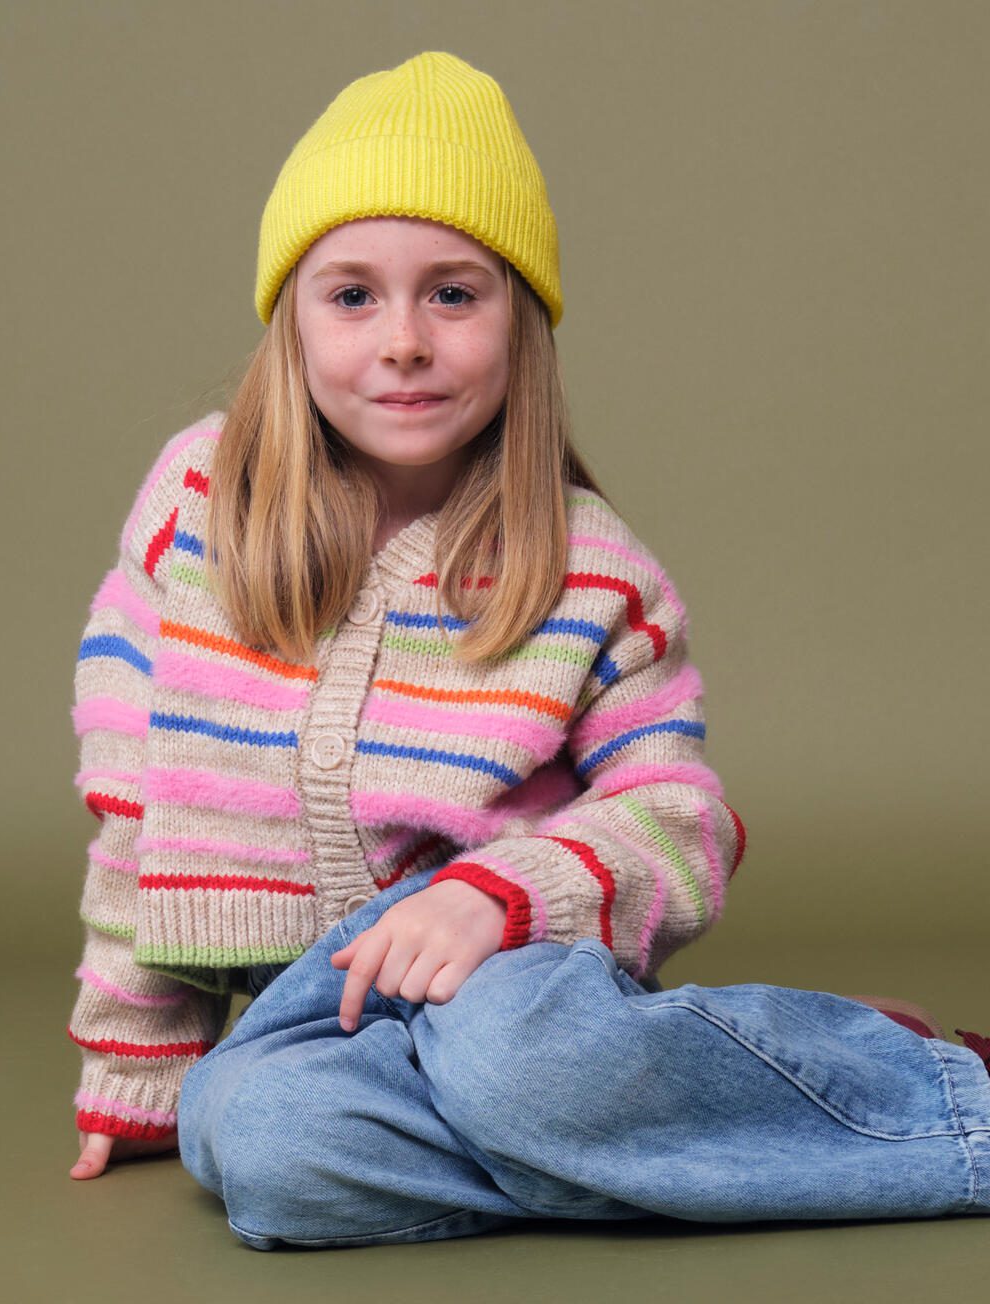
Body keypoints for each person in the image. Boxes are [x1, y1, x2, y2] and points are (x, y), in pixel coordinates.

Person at [65, 50, 990, 1244]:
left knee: (516, 1066)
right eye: (352, 295)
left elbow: (682, 820)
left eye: (454, 293)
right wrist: (136, 1061)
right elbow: (130, 799)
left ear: (522, 322)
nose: (404, 339)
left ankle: (945, 1108)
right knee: (259, 1142)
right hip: (319, 1011)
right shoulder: (196, 506)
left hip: (515, 979)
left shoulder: (591, 567)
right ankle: (754, 1079)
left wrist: (499, 896)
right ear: (288, 316)